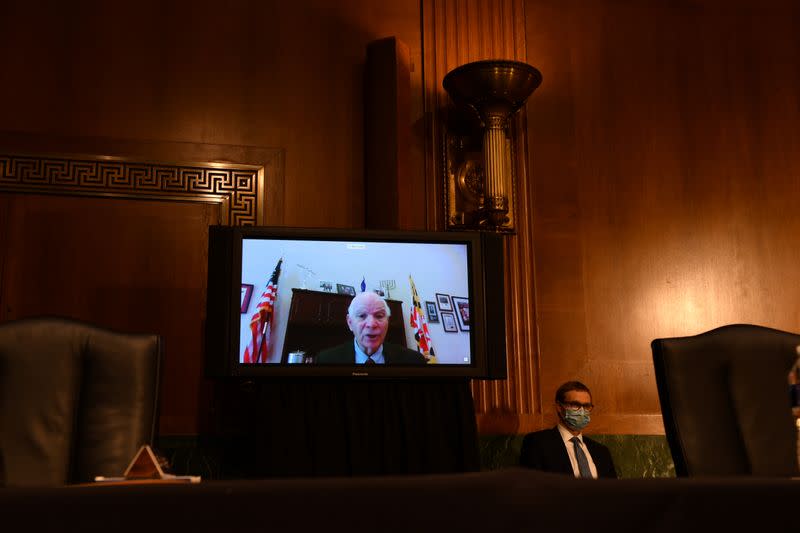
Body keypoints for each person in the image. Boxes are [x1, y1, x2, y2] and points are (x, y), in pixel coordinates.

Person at [519, 381, 617, 478]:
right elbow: (531, 486)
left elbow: (613, 490)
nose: (582, 411)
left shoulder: (601, 452)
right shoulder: (537, 443)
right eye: (575, 405)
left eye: (586, 406)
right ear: (559, 407)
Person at [316, 291, 427, 365]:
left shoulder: (414, 361)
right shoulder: (325, 361)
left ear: (387, 321)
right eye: (362, 316)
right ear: (350, 323)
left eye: (379, 316)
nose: (371, 324)